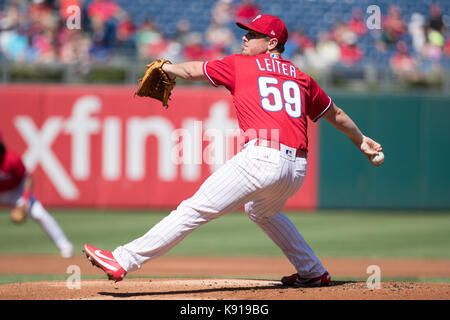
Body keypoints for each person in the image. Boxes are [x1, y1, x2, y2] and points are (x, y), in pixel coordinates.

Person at [84, 14, 383, 286]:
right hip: (296, 169)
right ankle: (313, 271)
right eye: (246, 32)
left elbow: (190, 71)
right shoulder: (301, 77)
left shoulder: (240, 65)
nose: (244, 37)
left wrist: (166, 66)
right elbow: (337, 114)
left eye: (252, 34)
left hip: (262, 158)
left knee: (193, 209)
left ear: (271, 43)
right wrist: (361, 140)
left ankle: (123, 259)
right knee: (261, 211)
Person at [0, 135, 74, 258]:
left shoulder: (12, 158)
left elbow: (28, 178)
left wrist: (25, 200)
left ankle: (65, 246)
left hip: (16, 192)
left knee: (39, 213)